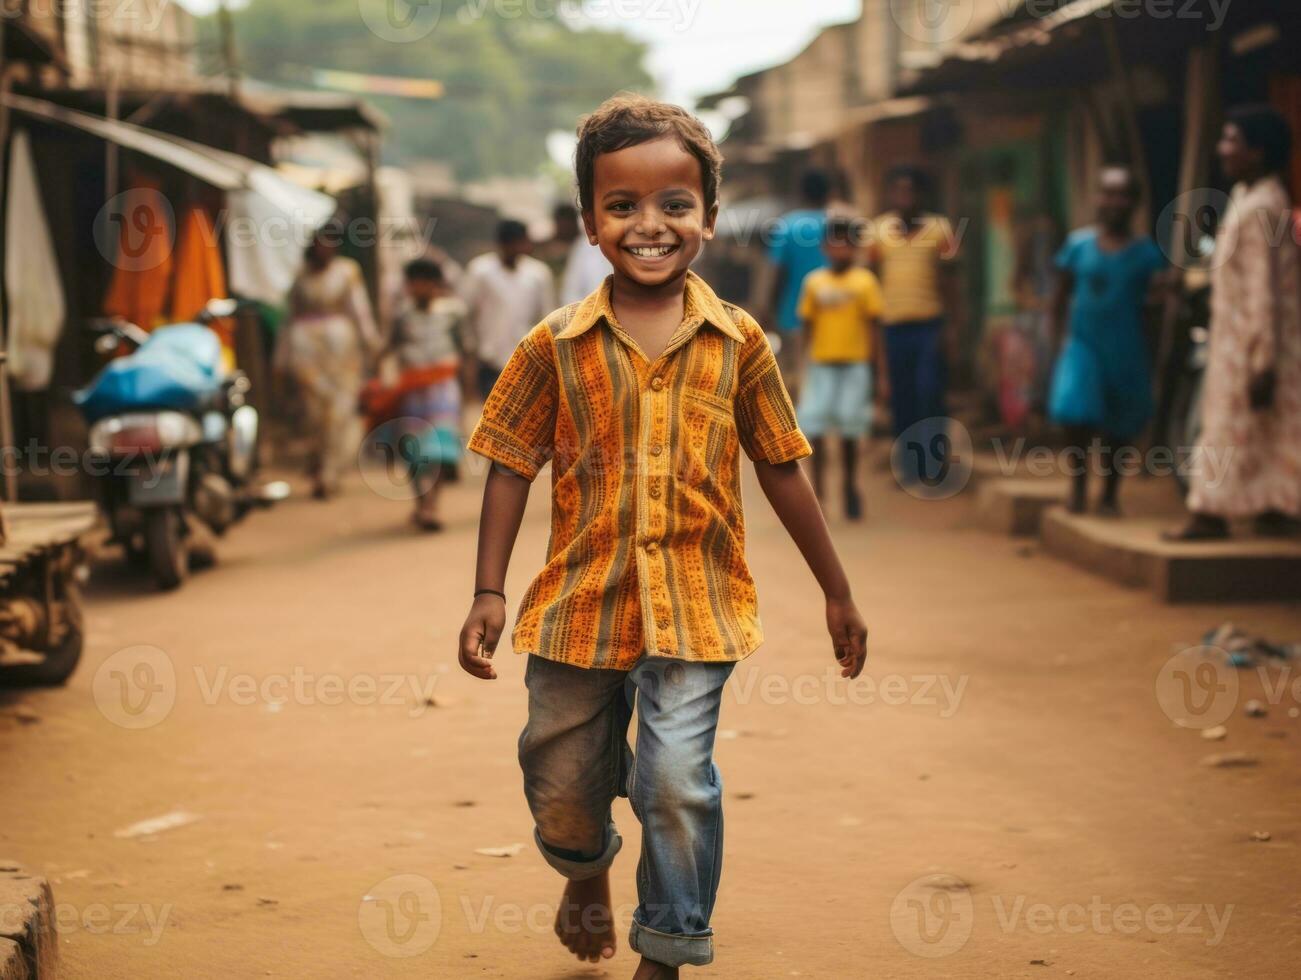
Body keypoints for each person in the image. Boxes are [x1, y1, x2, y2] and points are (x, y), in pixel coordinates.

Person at [456, 94, 868, 980]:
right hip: (579, 608)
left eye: (674, 204)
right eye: (622, 206)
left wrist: (837, 590)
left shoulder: (741, 344)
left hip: (696, 607)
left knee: (674, 783)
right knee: (560, 784)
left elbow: (782, 465)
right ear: (589, 225)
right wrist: (489, 589)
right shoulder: (552, 346)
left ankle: (667, 949)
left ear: (709, 219)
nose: (650, 225)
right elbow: (507, 462)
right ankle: (583, 871)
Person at [1167, 106, 1301, 540]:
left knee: (1228, 428)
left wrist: (1263, 360)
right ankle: (1272, 508)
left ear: (1258, 152)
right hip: (1237, 340)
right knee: (1261, 430)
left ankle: (1210, 513)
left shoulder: (1263, 206)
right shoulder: (1248, 198)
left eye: (1232, 141)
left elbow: (1266, 291)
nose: (1223, 150)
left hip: (1252, 344)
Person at [1048, 166, 1167, 516]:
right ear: (1096, 198)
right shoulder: (1077, 245)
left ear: (1133, 203)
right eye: (1107, 193)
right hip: (1083, 344)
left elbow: (1154, 309)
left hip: (1126, 347)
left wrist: (1153, 351)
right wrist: (1058, 344)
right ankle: (1078, 487)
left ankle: (1110, 495)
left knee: (1121, 421)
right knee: (1076, 411)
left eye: (1122, 195)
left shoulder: (1146, 254)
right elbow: (1059, 299)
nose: (1114, 202)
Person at [869, 166, 959, 485]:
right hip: (893, 328)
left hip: (929, 326)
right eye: (899, 190)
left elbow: (951, 281)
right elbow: (871, 279)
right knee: (901, 397)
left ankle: (933, 463)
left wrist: (952, 328)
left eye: (911, 190)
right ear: (892, 194)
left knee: (930, 393)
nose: (905, 197)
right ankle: (907, 466)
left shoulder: (941, 229)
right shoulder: (877, 231)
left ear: (922, 194)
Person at [278, 221, 380, 500]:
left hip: (342, 353)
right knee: (313, 413)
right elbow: (289, 317)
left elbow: (360, 311)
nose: (327, 247)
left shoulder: (347, 272)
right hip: (307, 353)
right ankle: (319, 463)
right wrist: (282, 357)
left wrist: (372, 346)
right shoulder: (300, 275)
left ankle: (330, 471)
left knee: (340, 410)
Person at [796, 216, 884, 520]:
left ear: (856, 248)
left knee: (849, 431)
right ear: (824, 247)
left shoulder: (865, 282)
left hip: (855, 366)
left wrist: (880, 373)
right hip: (821, 365)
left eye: (846, 243)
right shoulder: (814, 283)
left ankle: (849, 486)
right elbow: (806, 327)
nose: (840, 249)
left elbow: (874, 328)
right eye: (834, 242)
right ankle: (817, 493)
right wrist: (800, 367)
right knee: (815, 429)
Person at [384, 258, 467, 531]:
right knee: (413, 450)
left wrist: (469, 389)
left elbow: (464, 349)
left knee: (440, 448)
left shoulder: (453, 313)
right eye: (414, 283)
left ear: (437, 285)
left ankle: (431, 504)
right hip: (412, 391)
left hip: (443, 389)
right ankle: (421, 502)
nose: (420, 289)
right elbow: (390, 347)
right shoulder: (401, 316)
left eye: (425, 283)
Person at [459, 219, 555, 400]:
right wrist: (470, 348)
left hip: (526, 359)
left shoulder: (538, 274)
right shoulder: (480, 271)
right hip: (488, 359)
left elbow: (547, 317)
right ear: (503, 243)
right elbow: (465, 312)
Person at [768, 169, 831, 390]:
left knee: (796, 375)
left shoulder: (788, 225)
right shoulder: (834, 224)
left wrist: (769, 308)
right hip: (832, 311)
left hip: (792, 312)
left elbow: (777, 272)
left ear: (800, 193)